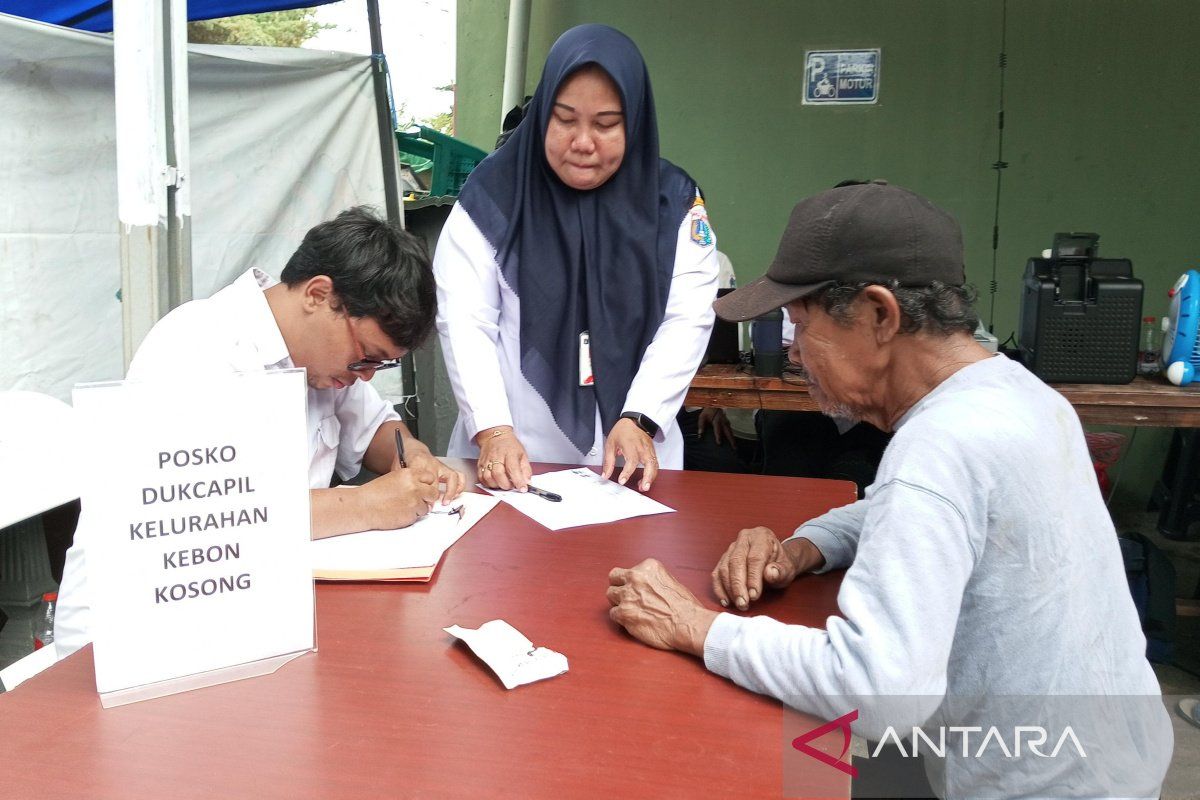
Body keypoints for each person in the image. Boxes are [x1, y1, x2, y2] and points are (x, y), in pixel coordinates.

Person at [606, 182, 1172, 797]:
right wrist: (805, 546)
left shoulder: (937, 447)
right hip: (1116, 755)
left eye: (800, 325)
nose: (794, 355)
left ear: (880, 315)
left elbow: (878, 692)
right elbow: (923, 507)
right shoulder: (1016, 392)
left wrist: (695, 625)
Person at [55, 206, 466, 656]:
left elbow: (377, 431)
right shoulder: (200, 349)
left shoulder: (325, 363)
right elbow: (220, 519)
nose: (366, 376)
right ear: (318, 294)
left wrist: (417, 457)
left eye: (380, 364)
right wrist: (370, 504)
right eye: (366, 356)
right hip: (141, 632)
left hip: (251, 605)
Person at [434, 24, 718, 493]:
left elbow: (687, 318)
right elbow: (466, 321)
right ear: (542, 113)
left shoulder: (674, 204)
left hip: (635, 455)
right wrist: (493, 429)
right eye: (565, 119)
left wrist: (640, 417)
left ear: (636, 122)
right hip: (516, 458)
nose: (583, 141)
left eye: (606, 124)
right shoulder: (492, 198)